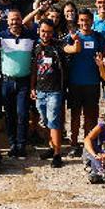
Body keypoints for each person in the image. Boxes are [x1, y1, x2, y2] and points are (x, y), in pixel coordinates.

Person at [0, 8, 38, 158]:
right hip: (7, 82)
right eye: (12, 19)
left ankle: (21, 144)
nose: (15, 22)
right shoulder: (2, 36)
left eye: (17, 19)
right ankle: (12, 144)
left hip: (24, 82)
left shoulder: (30, 36)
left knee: (22, 114)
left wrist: (37, 9)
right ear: (7, 21)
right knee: (9, 115)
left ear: (21, 20)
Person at [31, 19, 81, 168]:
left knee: (54, 122)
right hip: (40, 90)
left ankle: (57, 154)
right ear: (39, 31)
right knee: (46, 121)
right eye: (43, 31)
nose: (46, 34)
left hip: (55, 91)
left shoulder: (58, 45)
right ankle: (51, 147)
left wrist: (76, 39)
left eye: (49, 32)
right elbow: (34, 68)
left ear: (53, 32)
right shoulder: (36, 46)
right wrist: (32, 87)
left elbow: (74, 50)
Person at [65, 9, 105, 158]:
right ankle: (74, 144)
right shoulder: (72, 37)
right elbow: (65, 50)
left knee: (91, 115)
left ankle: (89, 143)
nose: (84, 23)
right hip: (75, 82)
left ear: (92, 21)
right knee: (75, 115)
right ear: (78, 22)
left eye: (87, 20)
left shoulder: (99, 38)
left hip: (93, 83)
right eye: (82, 20)